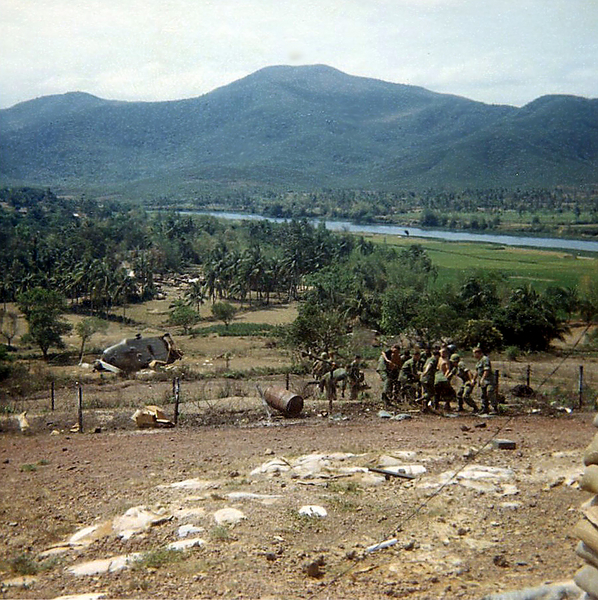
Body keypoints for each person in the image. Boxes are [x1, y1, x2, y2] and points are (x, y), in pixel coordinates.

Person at [473, 346, 499, 414]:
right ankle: (485, 408)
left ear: (478, 353)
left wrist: (483, 379)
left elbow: (486, 370)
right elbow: (477, 371)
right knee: (483, 395)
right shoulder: (479, 361)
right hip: (483, 381)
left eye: (474, 353)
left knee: (490, 392)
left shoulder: (485, 359)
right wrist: (473, 379)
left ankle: (495, 408)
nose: (474, 355)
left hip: (489, 380)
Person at [434, 346, 456, 411]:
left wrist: (446, 377)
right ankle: (436, 406)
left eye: (444, 352)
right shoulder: (439, 359)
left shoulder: (446, 360)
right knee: (437, 392)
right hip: (438, 376)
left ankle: (447, 405)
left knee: (447, 392)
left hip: (444, 378)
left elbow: (448, 370)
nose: (442, 353)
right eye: (441, 352)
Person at [419, 347, 440, 412]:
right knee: (431, 393)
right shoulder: (433, 359)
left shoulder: (428, 358)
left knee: (426, 392)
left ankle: (425, 407)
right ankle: (420, 399)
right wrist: (425, 372)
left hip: (423, 378)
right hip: (427, 378)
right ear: (437, 356)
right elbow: (429, 365)